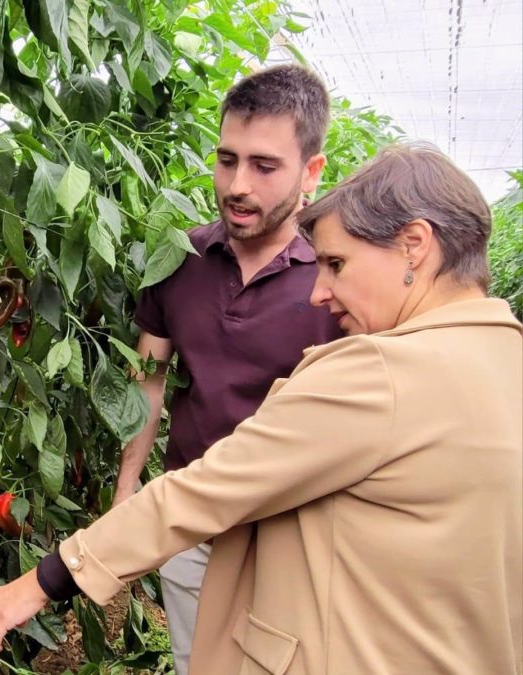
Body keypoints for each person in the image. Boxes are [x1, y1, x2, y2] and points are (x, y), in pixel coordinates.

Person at [0, 144, 523, 674]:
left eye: (338, 264)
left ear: (413, 245)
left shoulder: (381, 372)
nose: (319, 292)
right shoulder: (506, 358)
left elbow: (206, 489)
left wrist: (44, 580)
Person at [114, 64, 342, 674]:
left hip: (291, 539)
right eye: (226, 159)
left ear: (311, 172)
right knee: (197, 662)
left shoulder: (336, 276)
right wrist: (125, 500)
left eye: (265, 166)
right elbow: (148, 383)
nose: (238, 184)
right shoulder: (179, 258)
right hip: (189, 524)